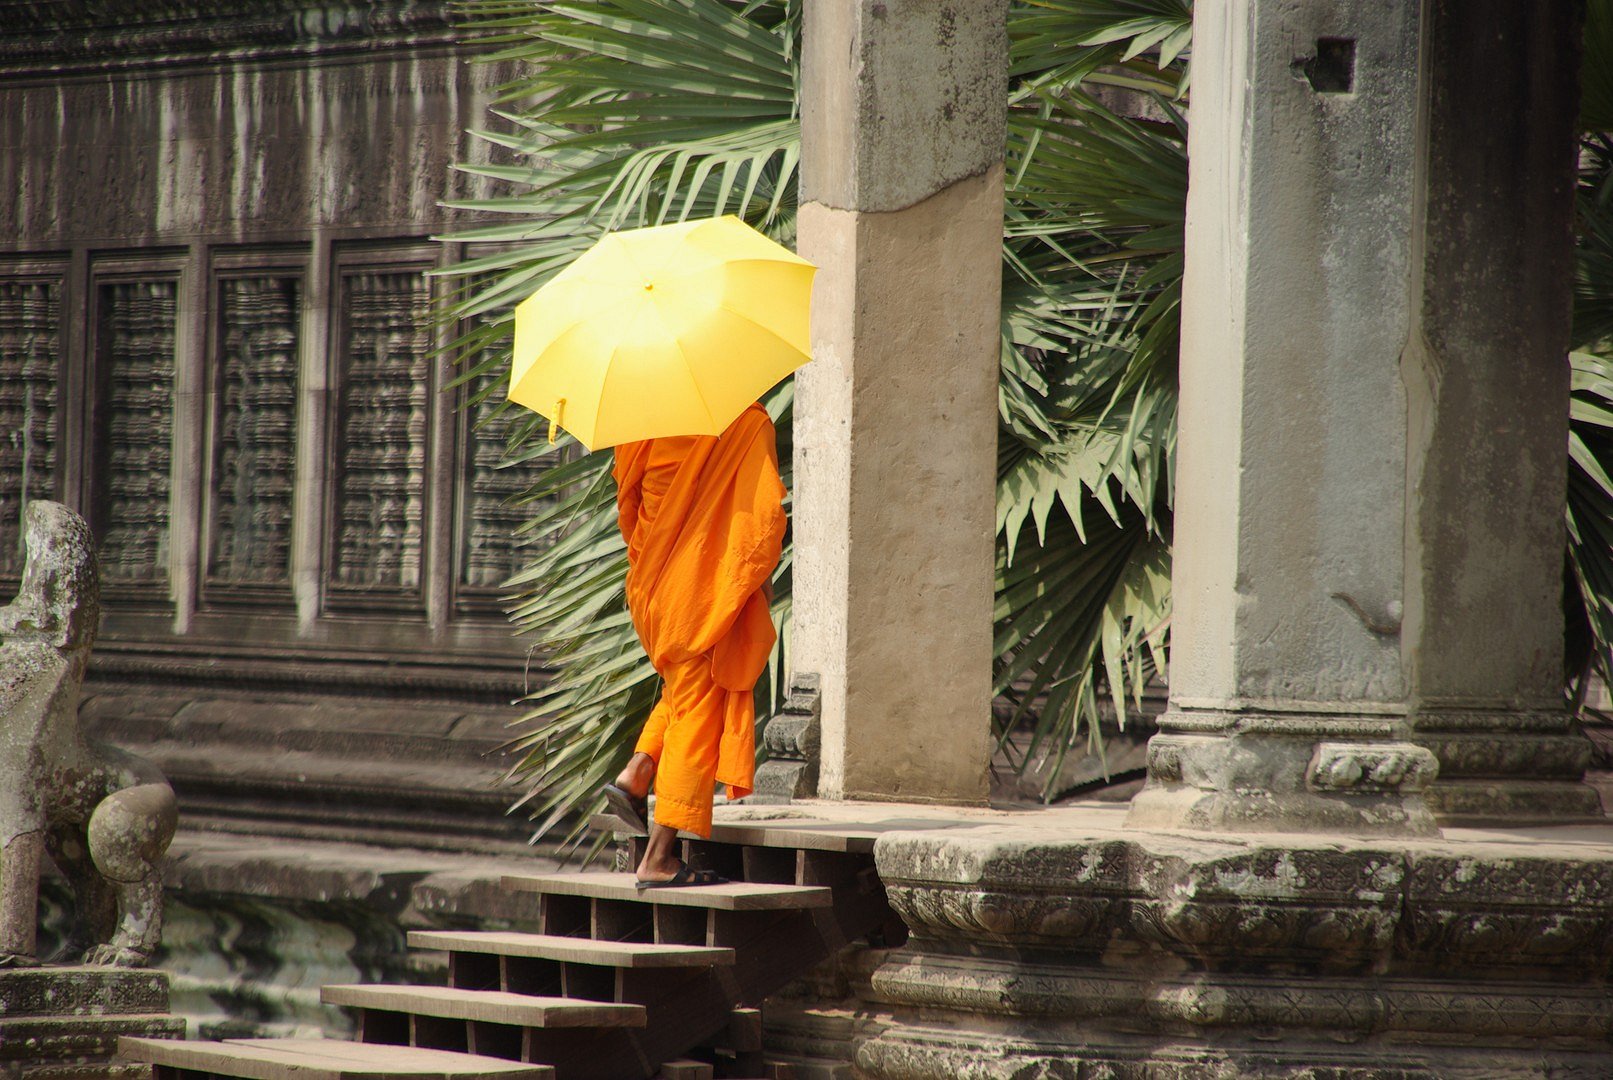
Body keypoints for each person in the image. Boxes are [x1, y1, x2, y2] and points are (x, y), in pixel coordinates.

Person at [601, 402, 786, 886]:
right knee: (699, 714)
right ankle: (659, 858)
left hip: (655, 587)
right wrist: (749, 580)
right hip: (700, 588)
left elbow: (629, 509)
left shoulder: (643, 421)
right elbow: (762, 518)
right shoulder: (744, 422)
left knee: (685, 691)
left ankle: (638, 769)